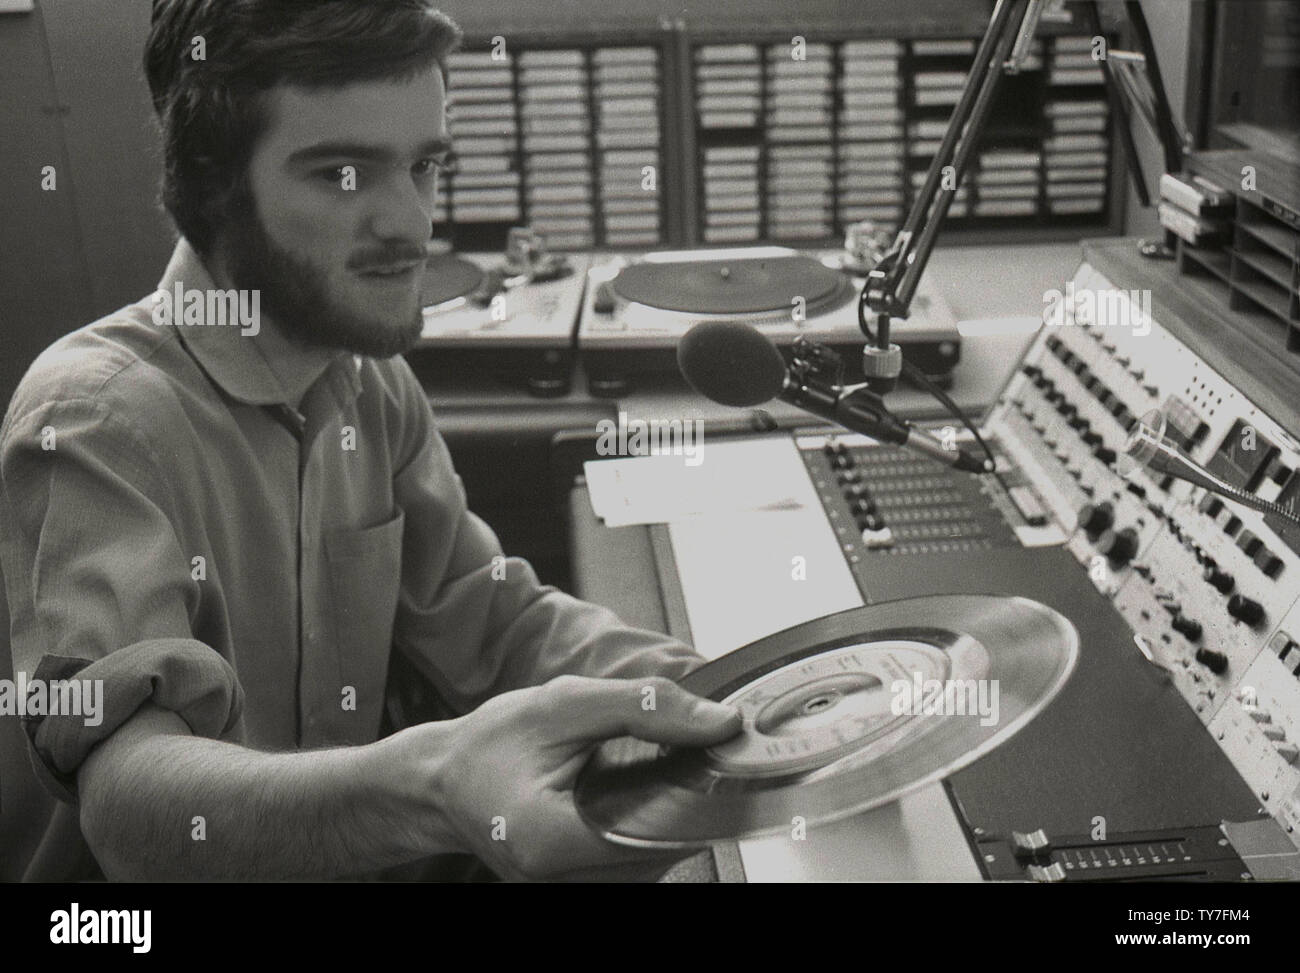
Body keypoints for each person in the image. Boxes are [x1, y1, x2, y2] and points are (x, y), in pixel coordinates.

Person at [0, 0, 740, 882]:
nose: (414, 224)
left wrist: (735, 695)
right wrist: (430, 790)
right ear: (211, 183)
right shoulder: (93, 419)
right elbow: (128, 804)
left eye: (424, 166)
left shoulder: (368, 376)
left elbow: (492, 620)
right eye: (344, 174)